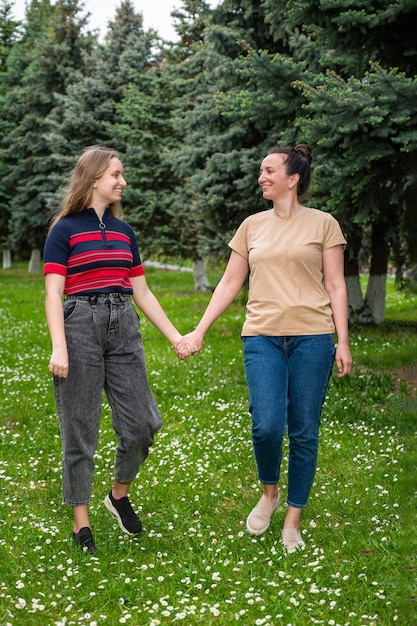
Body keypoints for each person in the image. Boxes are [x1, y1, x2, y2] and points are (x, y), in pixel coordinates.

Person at [176, 144, 352, 553]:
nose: (261, 177)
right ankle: (269, 493)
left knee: (305, 430)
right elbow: (229, 283)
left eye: (269, 170)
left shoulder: (324, 224)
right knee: (267, 424)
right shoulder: (252, 225)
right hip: (262, 337)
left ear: (292, 179)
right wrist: (199, 330)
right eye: (261, 171)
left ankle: (293, 519)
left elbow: (336, 284)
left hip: (313, 337)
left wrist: (342, 340)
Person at [44, 145, 186, 554]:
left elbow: (141, 290)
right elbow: (53, 292)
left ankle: (118, 495)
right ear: (93, 180)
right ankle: (81, 522)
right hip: (79, 326)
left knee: (143, 424)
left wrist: (175, 335)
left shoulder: (126, 233)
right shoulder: (64, 230)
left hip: (123, 324)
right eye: (116, 175)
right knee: (80, 429)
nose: (123, 181)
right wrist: (60, 347)